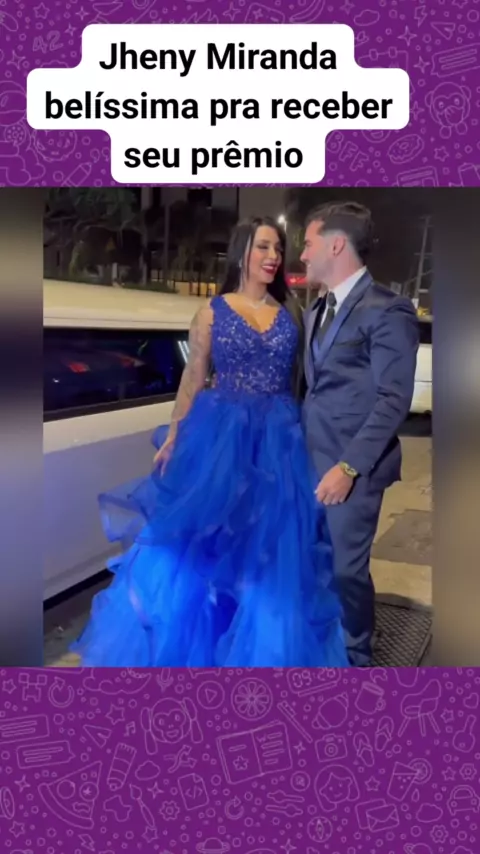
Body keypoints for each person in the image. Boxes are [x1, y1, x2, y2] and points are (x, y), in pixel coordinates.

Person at [71, 217, 349, 668]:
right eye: (263, 246)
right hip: (221, 440)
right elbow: (194, 377)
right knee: (201, 548)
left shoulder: (291, 312)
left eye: (278, 248)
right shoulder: (211, 312)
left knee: (271, 553)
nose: (273, 257)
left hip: (279, 444)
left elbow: (304, 378)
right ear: (242, 251)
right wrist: (174, 434)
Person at [301, 201, 420, 667]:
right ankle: (329, 643)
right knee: (319, 564)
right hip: (308, 459)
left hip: (352, 468)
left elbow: (393, 398)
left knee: (346, 571)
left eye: (308, 244)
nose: (302, 255)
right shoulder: (316, 309)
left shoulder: (388, 309)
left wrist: (348, 467)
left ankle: (357, 659)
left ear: (335, 245)